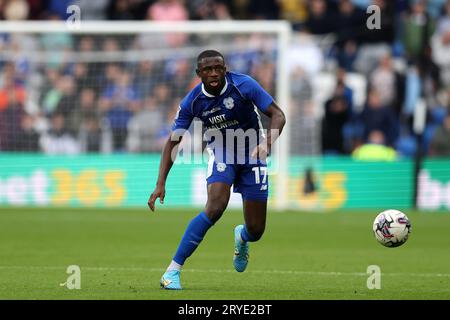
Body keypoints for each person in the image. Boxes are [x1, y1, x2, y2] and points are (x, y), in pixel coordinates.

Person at [148, 50, 286, 290]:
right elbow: (173, 141)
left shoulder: (244, 85)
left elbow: (278, 115)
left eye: (217, 68)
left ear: (225, 70)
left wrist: (267, 143)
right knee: (215, 207)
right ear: (198, 74)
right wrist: (161, 183)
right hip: (223, 152)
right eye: (207, 70)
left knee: (256, 230)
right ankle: (172, 272)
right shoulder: (191, 102)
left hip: (254, 153)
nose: (213, 73)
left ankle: (242, 237)